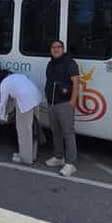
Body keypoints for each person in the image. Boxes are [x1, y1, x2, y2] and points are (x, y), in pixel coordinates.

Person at [44, 40, 80, 177]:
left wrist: (72, 101)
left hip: (65, 103)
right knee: (56, 132)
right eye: (53, 47)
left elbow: (76, 82)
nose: (56, 49)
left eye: (58, 47)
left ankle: (71, 164)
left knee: (68, 133)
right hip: (52, 103)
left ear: (63, 49)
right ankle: (59, 157)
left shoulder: (70, 63)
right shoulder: (50, 63)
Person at [0, 70, 42, 165]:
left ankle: (26, 158)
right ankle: (33, 155)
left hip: (25, 102)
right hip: (36, 98)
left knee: (23, 131)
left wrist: (2, 117)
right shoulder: (19, 76)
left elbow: (3, 102)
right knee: (33, 128)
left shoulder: (4, 83)